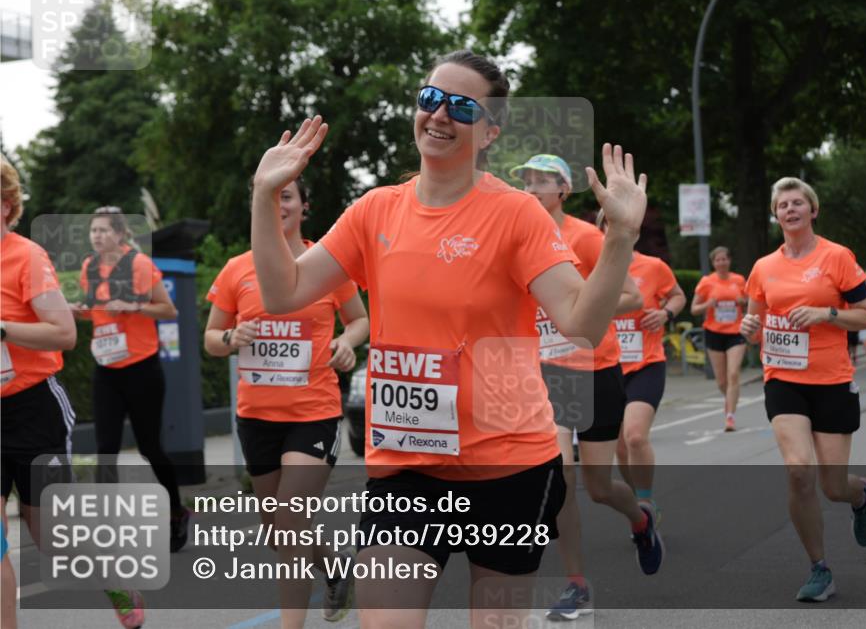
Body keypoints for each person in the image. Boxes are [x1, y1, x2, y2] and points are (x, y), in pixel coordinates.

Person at [247, 50, 649, 628]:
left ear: (490, 131)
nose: (439, 115)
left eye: (461, 106)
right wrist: (264, 195)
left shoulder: (517, 215)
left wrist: (621, 239)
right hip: (406, 469)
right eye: (430, 98)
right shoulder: (374, 211)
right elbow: (284, 292)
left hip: (508, 467)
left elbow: (580, 323)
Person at [205, 177, 369, 627]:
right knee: (278, 529)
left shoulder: (327, 266)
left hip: (313, 413)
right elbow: (210, 340)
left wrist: (346, 341)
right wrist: (229, 336)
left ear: (303, 206)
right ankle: (336, 569)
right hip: (256, 418)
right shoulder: (237, 269)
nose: (279, 204)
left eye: (288, 196)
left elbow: (359, 320)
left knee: (291, 521)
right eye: (272, 196)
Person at [508, 154, 661, 622]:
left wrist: (579, 310)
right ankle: (576, 585)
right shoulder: (513, 238)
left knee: (597, 487)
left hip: (595, 369)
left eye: (541, 181)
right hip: (543, 376)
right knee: (560, 481)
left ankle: (640, 519)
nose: (531, 188)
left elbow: (633, 298)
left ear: (563, 190)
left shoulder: (586, 237)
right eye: (526, 181)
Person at [0, 159, 144, 629]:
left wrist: (2, 329)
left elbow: (63, 334)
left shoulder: (25, 258)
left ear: (6, 206)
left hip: (33, 407)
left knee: (50, 535)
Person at [740, 177, 866, 603]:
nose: (791, 209)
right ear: (775, 214)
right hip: (783, 378)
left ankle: (861, 495)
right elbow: (753, 324)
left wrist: (826, 312)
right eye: (783, 205)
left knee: (833, 486)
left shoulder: (837, 257)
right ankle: (819, 567)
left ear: (813, 210)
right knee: (799, 471)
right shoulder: (764, 267)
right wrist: (748, 330)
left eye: (798, 203)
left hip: (832, 378)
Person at [70, 207, 191, 551]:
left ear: (121, 234)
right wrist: (80, 311)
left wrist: (135, 305)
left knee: (150, 448)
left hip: (141, 367)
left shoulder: (138, 264)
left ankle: (175, 512)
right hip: (106, 367)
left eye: (104, 230)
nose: (97, 236)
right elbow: (98, 309)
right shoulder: (89, 268)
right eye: (93, 231)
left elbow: (169, 310)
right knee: (105, 448)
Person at [597, 210, 684, 526]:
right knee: (620, 445)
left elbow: (677, 296)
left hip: (646, 363)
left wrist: (665, 315)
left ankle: (646, 500)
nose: (614, 230)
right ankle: (639, 504)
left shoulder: (653, 267)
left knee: (634, 436)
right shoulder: (593, 269)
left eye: (620, 223)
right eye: (608, 224)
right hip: (608, 366)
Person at [691, 246, 747, 431]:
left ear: (729, 261)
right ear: (713, 263)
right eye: (718, 260)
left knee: (733, 374)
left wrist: (742, 301)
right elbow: (694, 309)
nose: (721, 262)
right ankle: (729, 400)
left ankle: (729, 416)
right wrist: (708, 304)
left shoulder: (739, 280)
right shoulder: (707, 282)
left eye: (724, 259)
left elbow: (751, 301)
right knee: (722, 381)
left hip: (736, 332)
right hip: (714, 332)